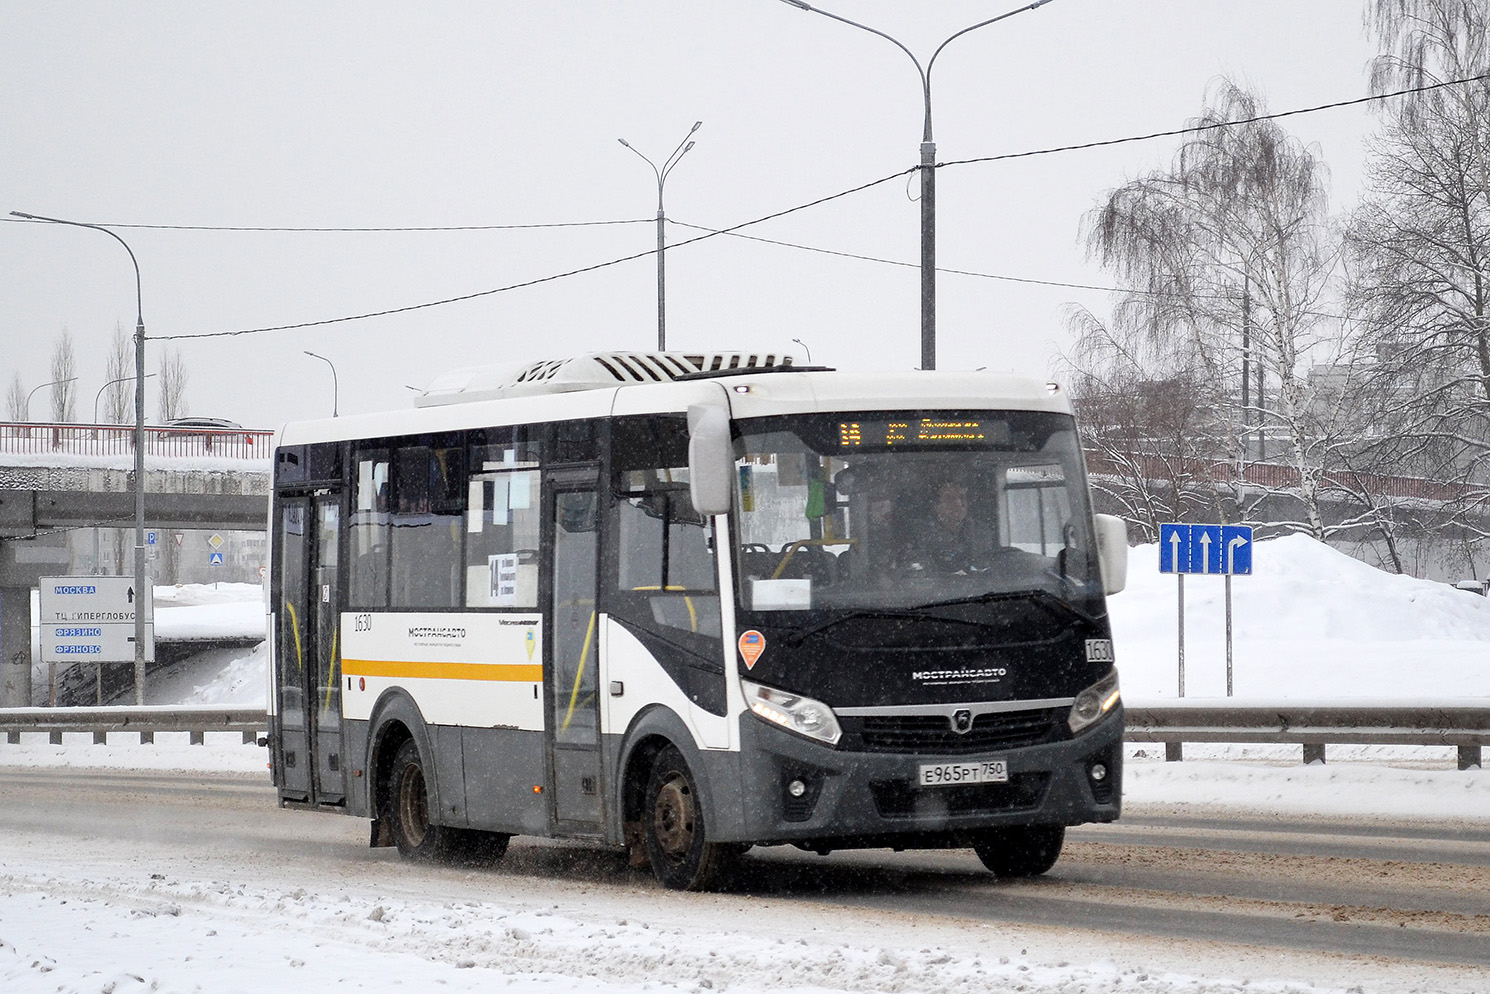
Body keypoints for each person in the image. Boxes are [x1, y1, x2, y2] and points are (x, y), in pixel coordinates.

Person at [914, 479, 995, 573]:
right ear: (936, 506)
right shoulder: (922, 534)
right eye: (950, 499)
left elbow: (989, 564)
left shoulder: (981, 531)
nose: (959, 504)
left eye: (962, 498)